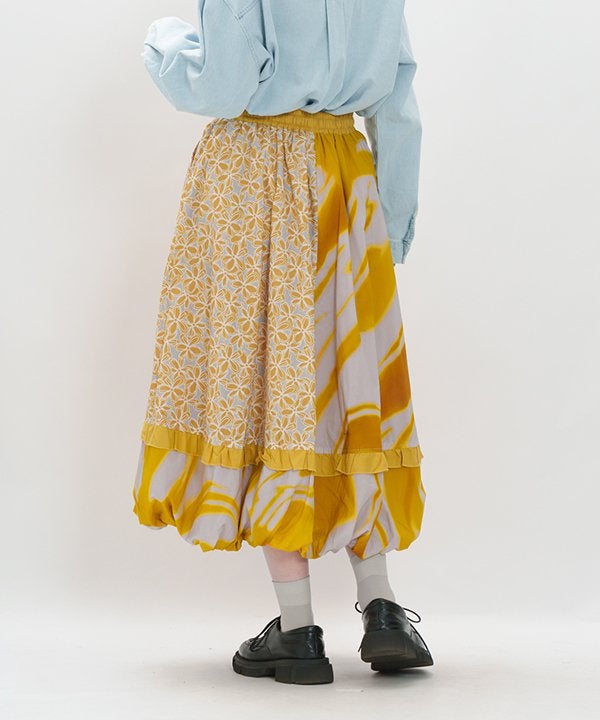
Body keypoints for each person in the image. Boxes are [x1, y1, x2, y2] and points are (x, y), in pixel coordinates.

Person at [132, 0, 433, 685]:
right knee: (349, 389)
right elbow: (397, 98)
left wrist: (163, 43)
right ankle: (382, 607)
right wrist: (389, 222)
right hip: (345, 180)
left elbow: (225, 84)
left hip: (254, 178)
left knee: (268, 391)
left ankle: (297, 632)